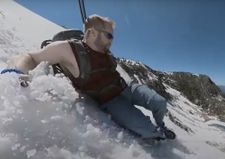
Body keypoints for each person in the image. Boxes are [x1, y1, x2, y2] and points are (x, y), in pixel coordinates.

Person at [6, 14, 175, 140]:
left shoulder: (106, 53)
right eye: (109, 35)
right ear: (93, 32)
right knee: (147, 130)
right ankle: (155, 132)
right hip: (110, 100)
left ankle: (161, 125)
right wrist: (17, 73)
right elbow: (31, 56)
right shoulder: (68, 49)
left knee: (159, 102)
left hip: (127, 87)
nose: (112, 40)